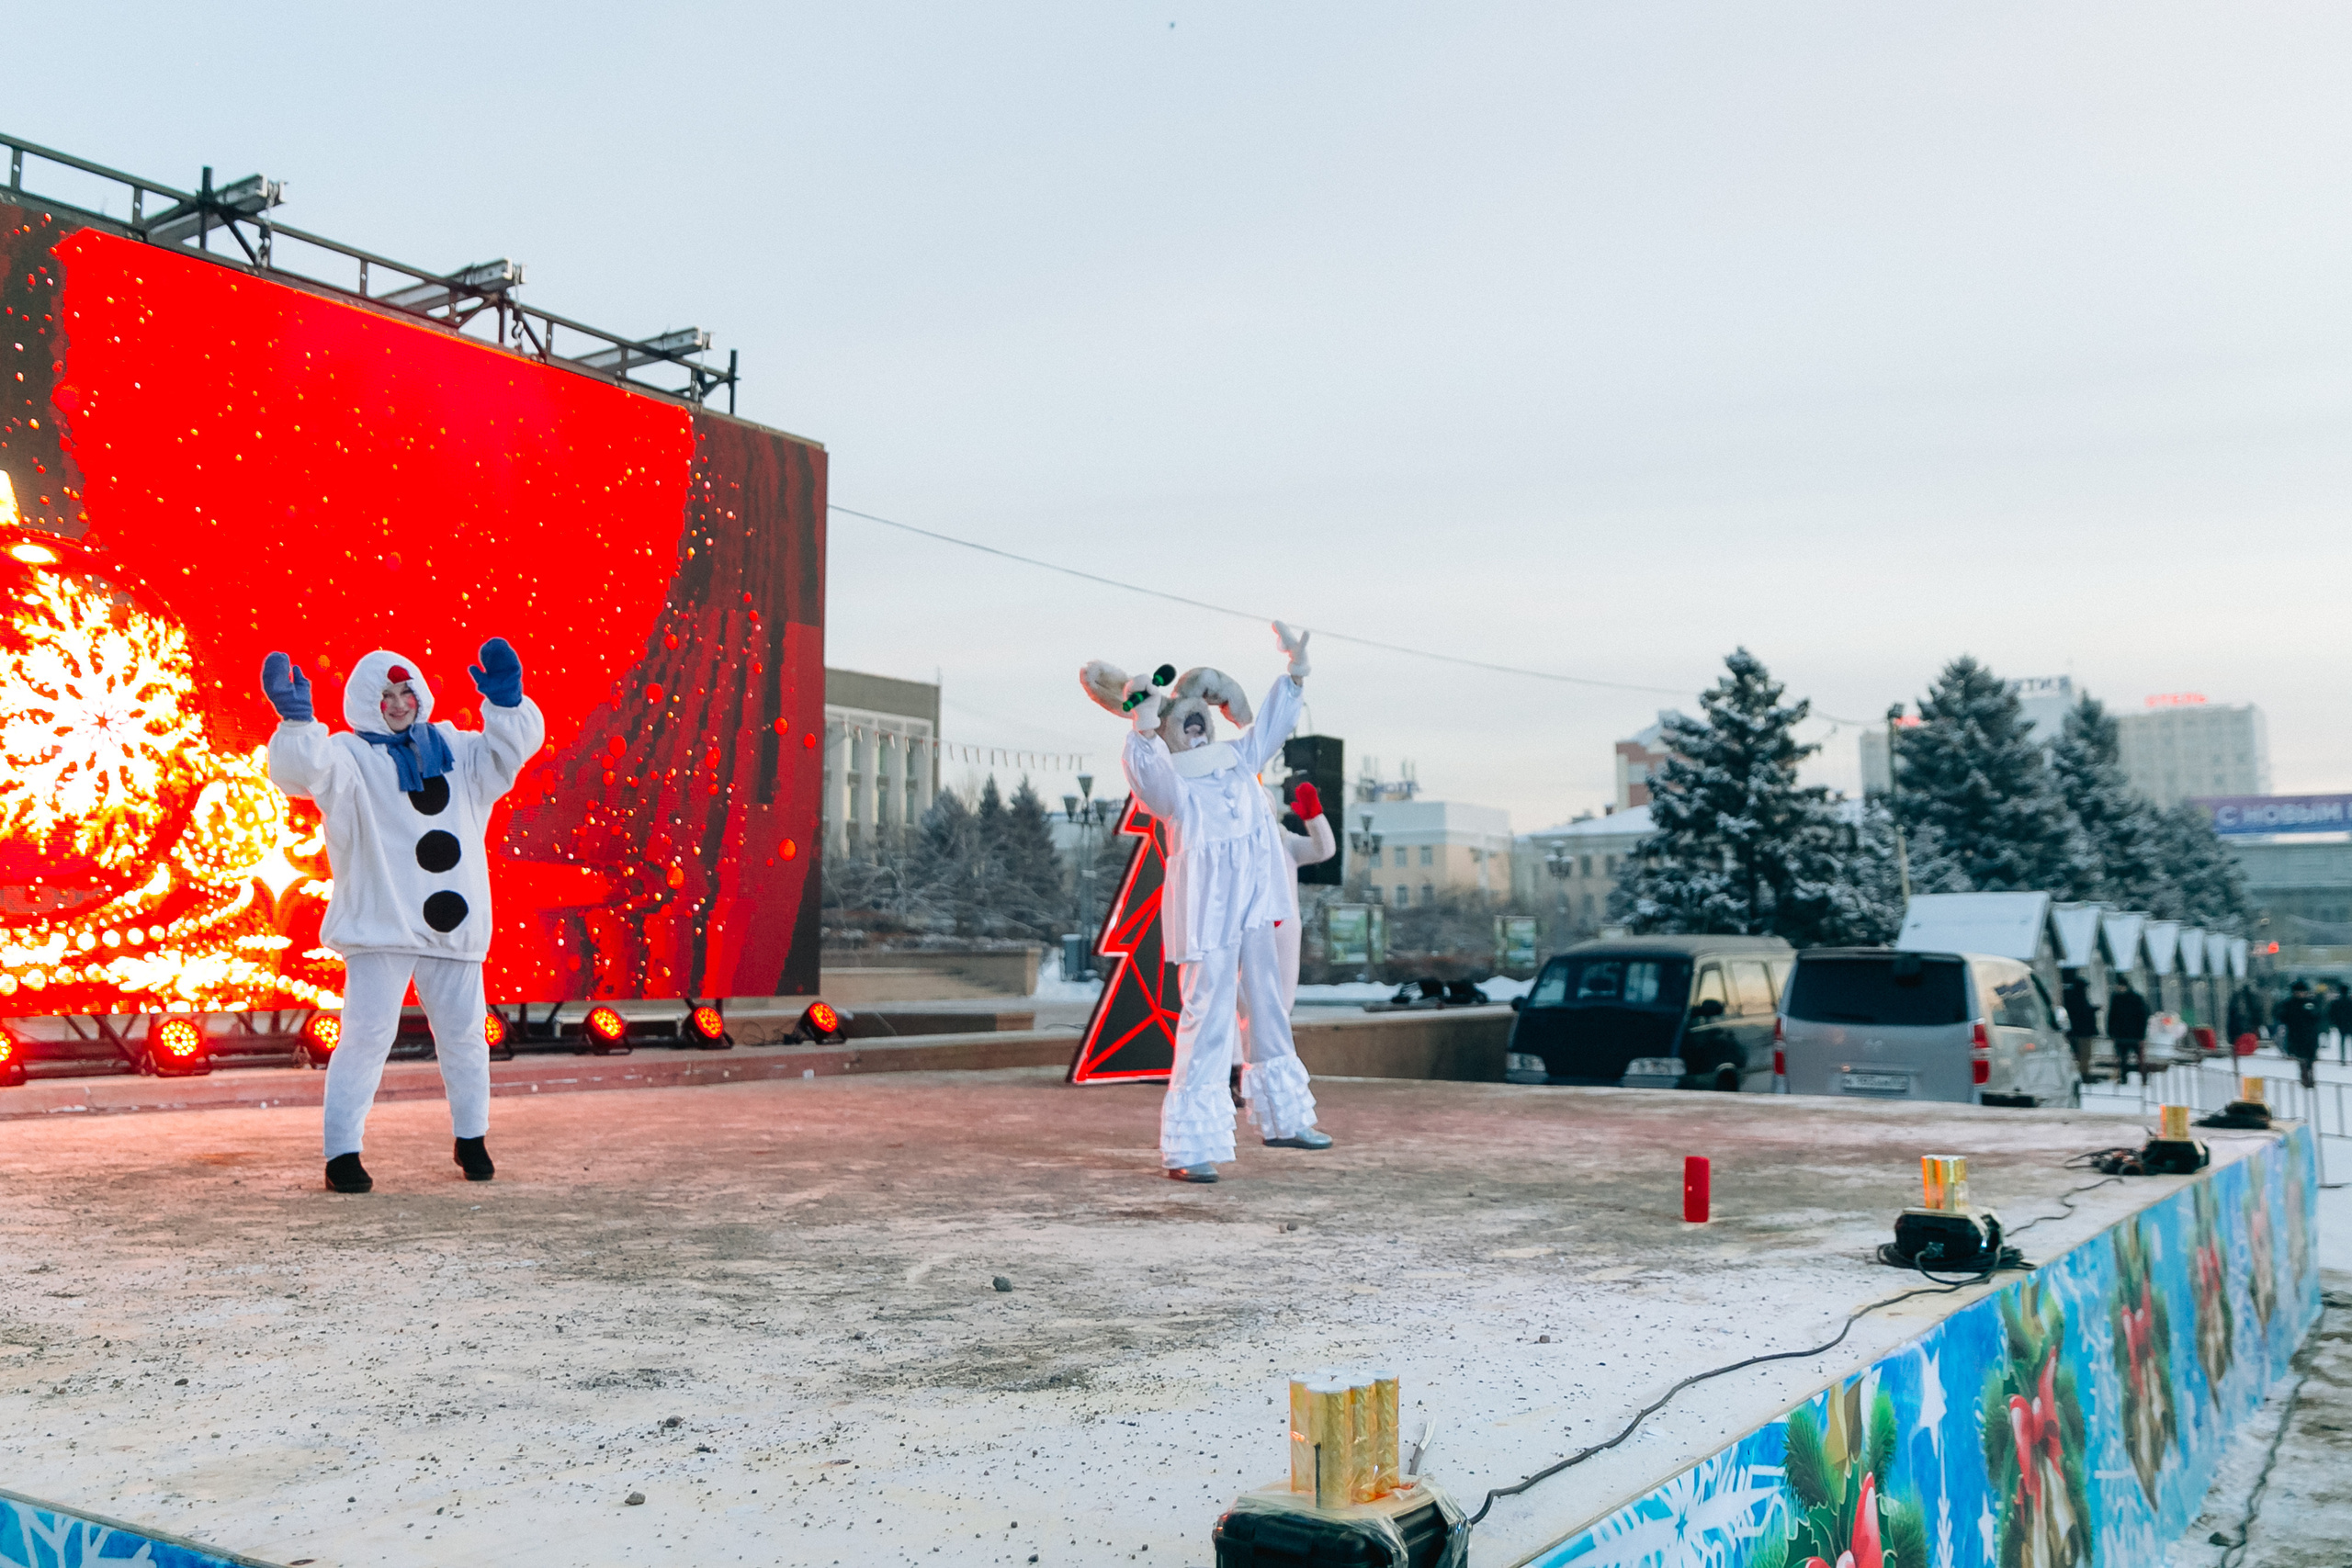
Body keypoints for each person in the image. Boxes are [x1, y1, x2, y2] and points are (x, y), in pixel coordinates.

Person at [262, 642, 546, 1193]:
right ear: (367, 702)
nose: (398, 703)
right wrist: (298, 723)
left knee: (465, 1037)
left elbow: (507, 756)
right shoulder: (349, 755)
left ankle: (473, 1138)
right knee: (366, 1036)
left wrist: (508, 705)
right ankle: (342, 1153)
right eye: (386, 695)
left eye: (406, 690)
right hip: (382, 923)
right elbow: (304, 772)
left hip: (453, 926)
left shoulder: (457, 751)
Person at [1081, 622, 1327, 1183]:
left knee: (1269, 1006)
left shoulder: (1239, 759)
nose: (1194, 724)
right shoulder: (1175, 784)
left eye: (1198, 716)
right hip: (1208, 912)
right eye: (1182, 721)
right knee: (1208, 1018)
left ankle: (1286, 1118)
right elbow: (1148, 779)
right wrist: (1142, 727)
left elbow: (1273, 723)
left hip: (1256, 903)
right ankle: (1190, 1146)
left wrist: (1295, 669)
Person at [1233, 779, 1339, 1116]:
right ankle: (1242, 1077)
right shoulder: (1234, 845)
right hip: (1246, 932)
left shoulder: (1286, 843)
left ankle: (1264, 1085)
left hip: (1283, 935)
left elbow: (1324, 850)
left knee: (1279, 1008)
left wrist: (1313, 815)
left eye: (1265, 804)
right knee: (1243, 1008)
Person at [2278, 977, 2324, 1090]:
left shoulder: (2311, 1002)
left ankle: (2311, 1076)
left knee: (2310, 1058)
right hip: (2296, 1035)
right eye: (2298, 992)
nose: (2301, 994)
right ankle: (2304, 1077)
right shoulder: (2289, 1004)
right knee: (2301, 1059)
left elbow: (2318, 1016)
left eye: (2302, 991)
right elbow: (2282, 1017)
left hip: (2310, 1035)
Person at [2106, 978, 2151, 1086]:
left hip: (2134, 1034)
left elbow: (2142, 1017)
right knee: (2122, 1058)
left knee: (2139, 1058)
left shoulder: (2136, 998)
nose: (2119, 989)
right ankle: (2123, 1078)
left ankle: (2143, 1078)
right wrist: (2111, 1032)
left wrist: (2142, 1035)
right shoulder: (2116, 998)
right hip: (2120, 1034)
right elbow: (2111, 1016)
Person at [2060, 970, 2099, 1081]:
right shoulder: (2081, 999)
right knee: (2085, 1055)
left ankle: (2077, 1075)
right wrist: (2094, 1010)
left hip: (2072, 1031)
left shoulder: (2067, 997)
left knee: (2075, 1055)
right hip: (2084, 1032)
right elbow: (2084, 1013)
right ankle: (2084, 1075)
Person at [2331, 982, 2352, 1066]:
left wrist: (2335, 1023)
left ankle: (2342, 1059)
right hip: (2350, 1024)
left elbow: (2332, 1014)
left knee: (2342, 1043)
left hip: (2341, 1024)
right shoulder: (2350, 1001)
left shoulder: (2336, 1002)